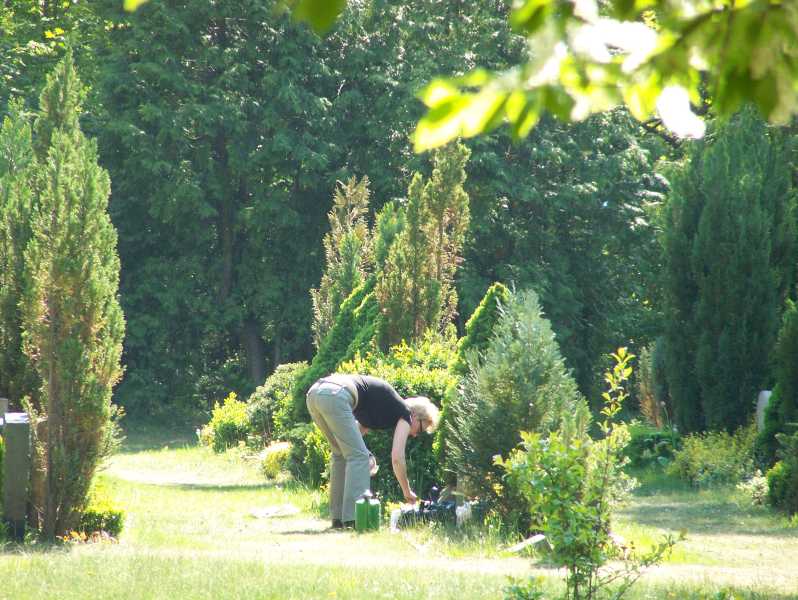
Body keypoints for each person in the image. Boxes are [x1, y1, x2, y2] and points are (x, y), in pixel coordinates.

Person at [305, 373, 439, 529]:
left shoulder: (383, 409)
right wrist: (407, 491)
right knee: (358, 457)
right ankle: (354, 519)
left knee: (341, 453)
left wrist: (367, 455)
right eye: (421, 429)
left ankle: (339, 519)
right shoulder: (406, 413)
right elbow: (397, 458)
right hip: (336, 395)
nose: (415, 435)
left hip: (315, 394)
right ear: (416, 416)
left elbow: (350, 440)